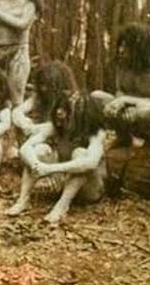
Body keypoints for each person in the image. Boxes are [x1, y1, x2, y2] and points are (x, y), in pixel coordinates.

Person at [7, 93, 107, 224]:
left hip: (89, 190)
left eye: (69, 112)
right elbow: (25, 148)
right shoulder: (56, 127)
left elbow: (91, 163)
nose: (61, 115)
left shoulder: (96, 133)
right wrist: (36, 165)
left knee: (80, 154)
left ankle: (62, 206)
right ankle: (23, 200)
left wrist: (50, 169)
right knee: (39, 149)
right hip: (64, 182)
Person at [91, 23, 150, 147]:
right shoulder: (122, 63)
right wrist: (122, 106)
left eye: (126, 46)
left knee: (144, 111)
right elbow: (120, 91)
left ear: (139, 47)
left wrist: (128, 101)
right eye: (121, 45)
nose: (121, 50)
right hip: (129, 113)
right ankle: (123, 138)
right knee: (96, 97)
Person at [12, 61, 77, 137]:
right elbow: (16, 112)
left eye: (47, 85)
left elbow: (56, 127)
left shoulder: (70, 101)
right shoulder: (39, 97)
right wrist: (24, 123)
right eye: (41, 84)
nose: (43, 88)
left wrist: (34, 128)